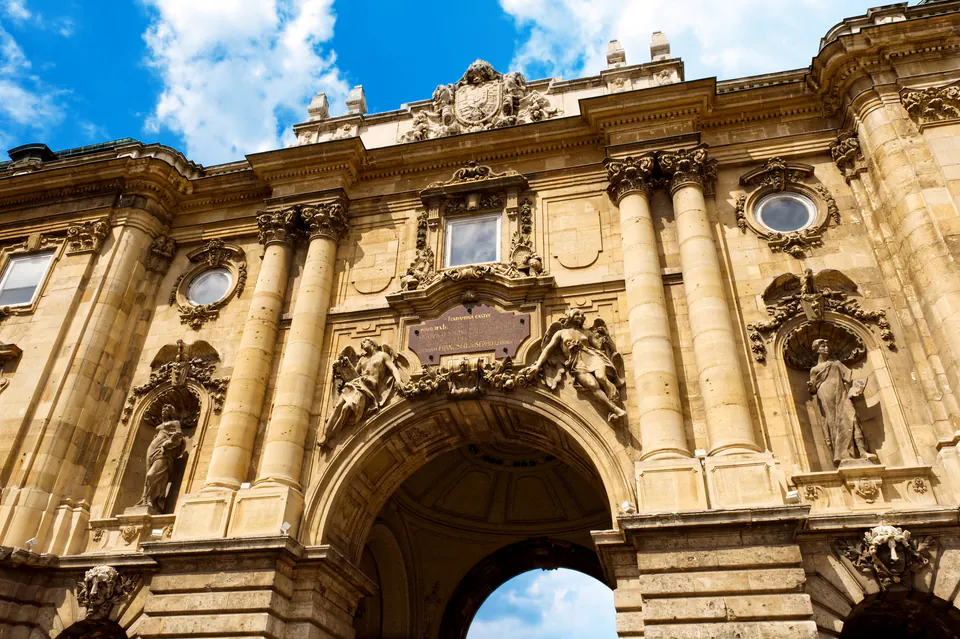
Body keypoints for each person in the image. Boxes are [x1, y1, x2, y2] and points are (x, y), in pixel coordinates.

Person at [808, 338, 876, 466]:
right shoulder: (815, 369)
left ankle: (862, 451)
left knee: (853, 418)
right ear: (816, 349)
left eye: (827, 346)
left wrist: (854, 389)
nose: (826, 348)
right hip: (826, 393)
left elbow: (849, 378)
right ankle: (841, 454)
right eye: (823, 346)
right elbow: (813, 389)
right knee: (833, 422)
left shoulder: (836, 363)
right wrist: (810, 386)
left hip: (841, 392)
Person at [136, 404, 186, 512]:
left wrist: (168, 443)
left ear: (171, 412)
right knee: (147, 476)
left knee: (151, 476)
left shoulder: (175, 423)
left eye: (167, 409)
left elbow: (179, 436)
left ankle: (153, 500)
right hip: (152, 450)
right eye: (163, 409)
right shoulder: (160, 425)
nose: (164, 411)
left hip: (163, 452)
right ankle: (146, 500)